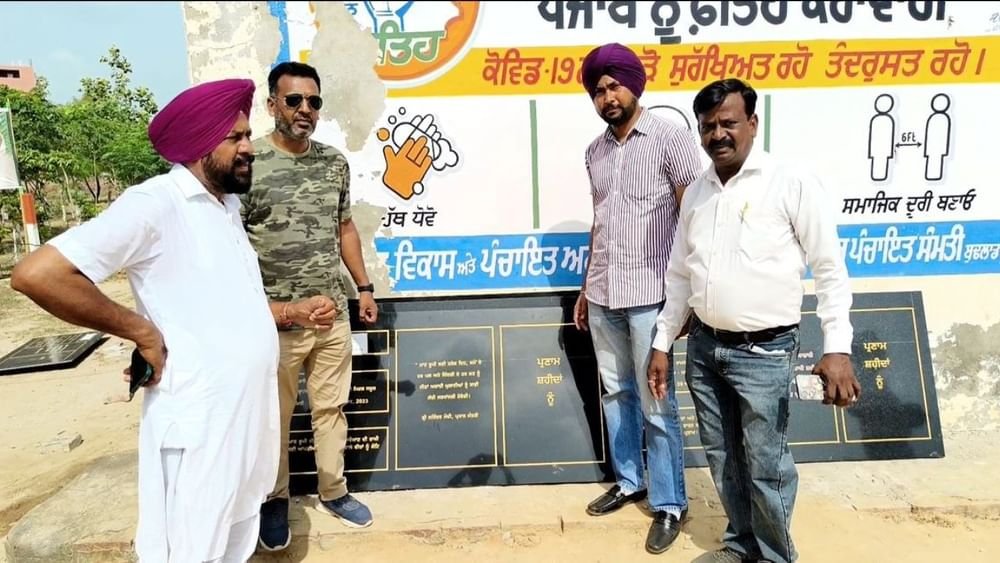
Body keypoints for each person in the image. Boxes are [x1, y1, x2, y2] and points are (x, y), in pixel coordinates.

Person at [10, 78, 333, 562]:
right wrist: (141, 332)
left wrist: (290, 312)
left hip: (242, 425)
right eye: (236, 138)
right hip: (199, 428)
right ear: (200, 145)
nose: (249, 148)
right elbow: (38, 274)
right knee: (190, 551)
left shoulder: (226, 207)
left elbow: (229, 306)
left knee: (231, 545)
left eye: (247, 135)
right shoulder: (157, 203)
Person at [647, 78, 861, 563]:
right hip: (705, 350)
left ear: (753, 123)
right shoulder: (696, 193)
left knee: (767, 465)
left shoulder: (790, 183)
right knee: (723, 458)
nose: (717, 135)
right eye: (708, 126)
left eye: (728, 123)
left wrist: (838, 347)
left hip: (765, 352)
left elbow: (829, 268)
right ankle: (741, 545)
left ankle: (775, 556)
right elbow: (679, 275)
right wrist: (662, 341)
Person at [240, 61, 380, 551]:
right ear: (272, 104)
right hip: (273, 321)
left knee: (331, 408)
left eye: (314, 101)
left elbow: (344, 227)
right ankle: (274, 498)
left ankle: (333, 490)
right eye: (294, 100)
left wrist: (363, 287)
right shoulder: (249, 162)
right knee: (272, 418)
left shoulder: (333, 163)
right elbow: (230, 242)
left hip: (330, 316)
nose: (305, 109)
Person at [573, 43, 704, 555]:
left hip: (652, 296)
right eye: (598, 90)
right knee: (615, 393)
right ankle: (630, 481)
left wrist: (686, 300)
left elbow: (694, 220)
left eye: (613, 86)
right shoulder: (595, 152)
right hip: (604, 293)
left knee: (656, 400)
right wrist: (586, 287)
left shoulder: (671, 138)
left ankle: (669, 502)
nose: (607, 96)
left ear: (634, 85)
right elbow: (600, 223)